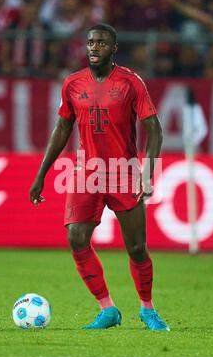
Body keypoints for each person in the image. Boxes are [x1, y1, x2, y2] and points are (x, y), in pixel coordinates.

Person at [30, 23, 169, 331]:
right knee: (75, 237)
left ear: (114, 48)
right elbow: (63, 128)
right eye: (91, 42)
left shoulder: (131, 82)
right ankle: (107, 309)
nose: (94, 47)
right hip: (86, 172)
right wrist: (42, 174)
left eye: (102, 43)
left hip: (124, 173)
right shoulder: (72, 83)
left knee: (136, 248)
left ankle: (147, 309)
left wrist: (148, 174)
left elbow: (155, 129)